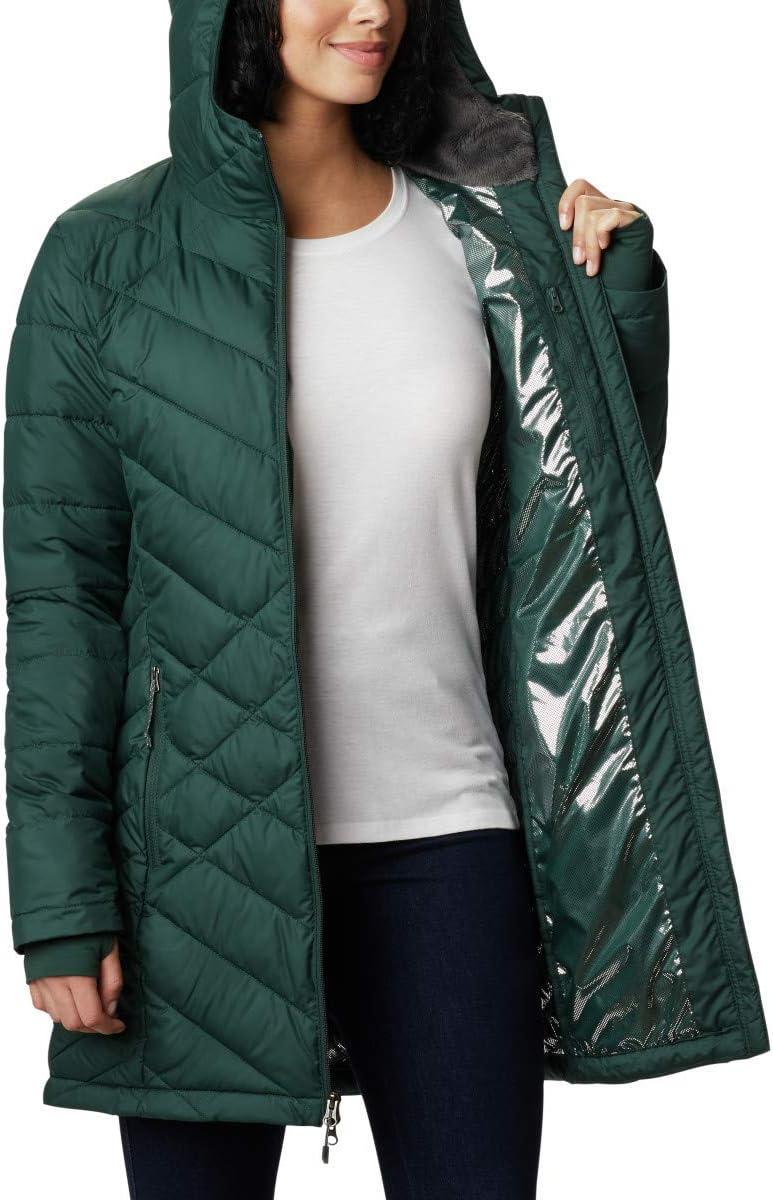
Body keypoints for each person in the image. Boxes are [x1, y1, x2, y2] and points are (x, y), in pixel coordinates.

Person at [5, 2, 768, 1199]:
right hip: (194, 866)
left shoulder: (482, 237)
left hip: (450, 844)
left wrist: (614, 290)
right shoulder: (106, 256)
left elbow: (578, 527)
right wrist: (61, 903)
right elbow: (63, 595)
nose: (371, 8)